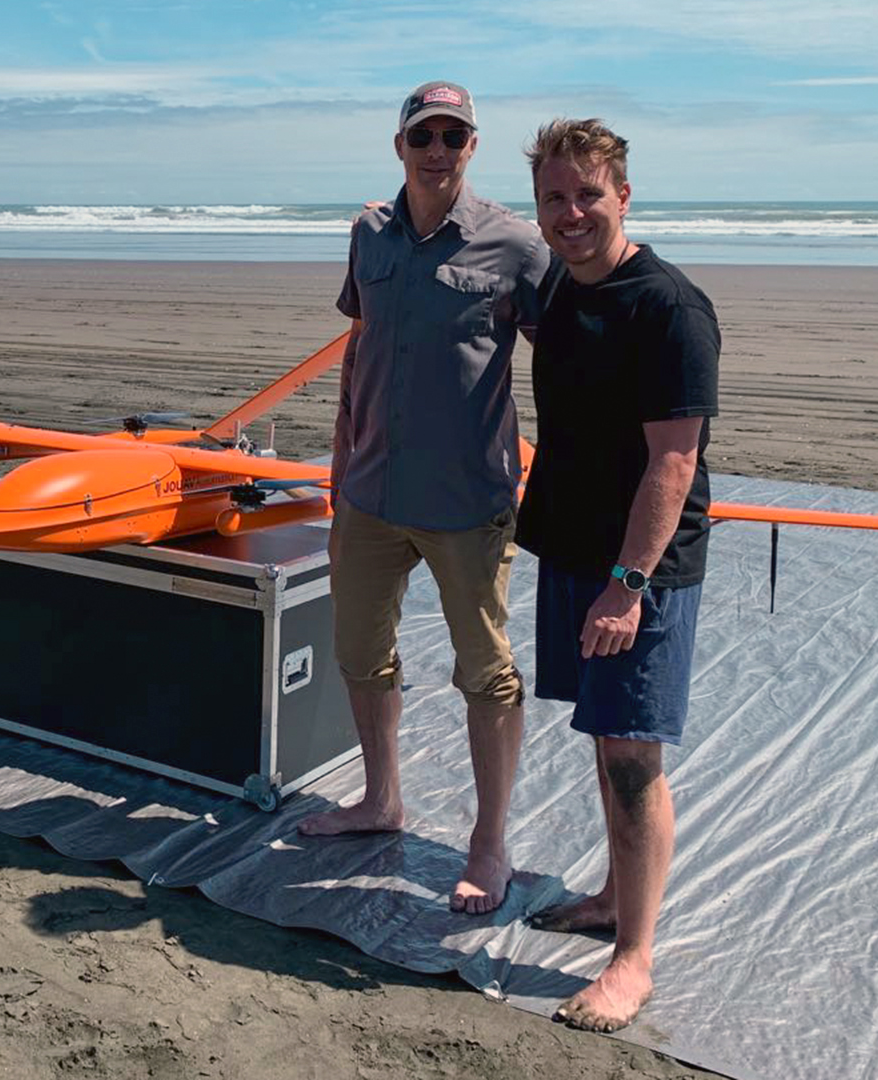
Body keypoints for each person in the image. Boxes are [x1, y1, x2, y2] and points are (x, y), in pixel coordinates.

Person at [298, 81, 550, 919]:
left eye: (454, 136)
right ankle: (381, 801)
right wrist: (339, 464)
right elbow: (357, 350)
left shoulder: (516, 244)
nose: (437, 151)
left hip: (467, 500)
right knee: (359, 653)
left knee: (487, 672)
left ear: (472, 146)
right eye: (423, 137)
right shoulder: (368, 232)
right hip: (369, 491)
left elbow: (566, 369)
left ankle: (490, 842)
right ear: (399, 145)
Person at [514, 118, 721, 1033]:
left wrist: (628, 586)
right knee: (603, 738)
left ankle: (633, 961)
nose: (570, 213)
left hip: (640, 572)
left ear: (623, 196)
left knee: (635, 756)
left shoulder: (668, 308)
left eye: (588, 194)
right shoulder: (561, 288)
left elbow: (674, 464)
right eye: (554, 197)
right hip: (572, 550)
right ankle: (608, 897)